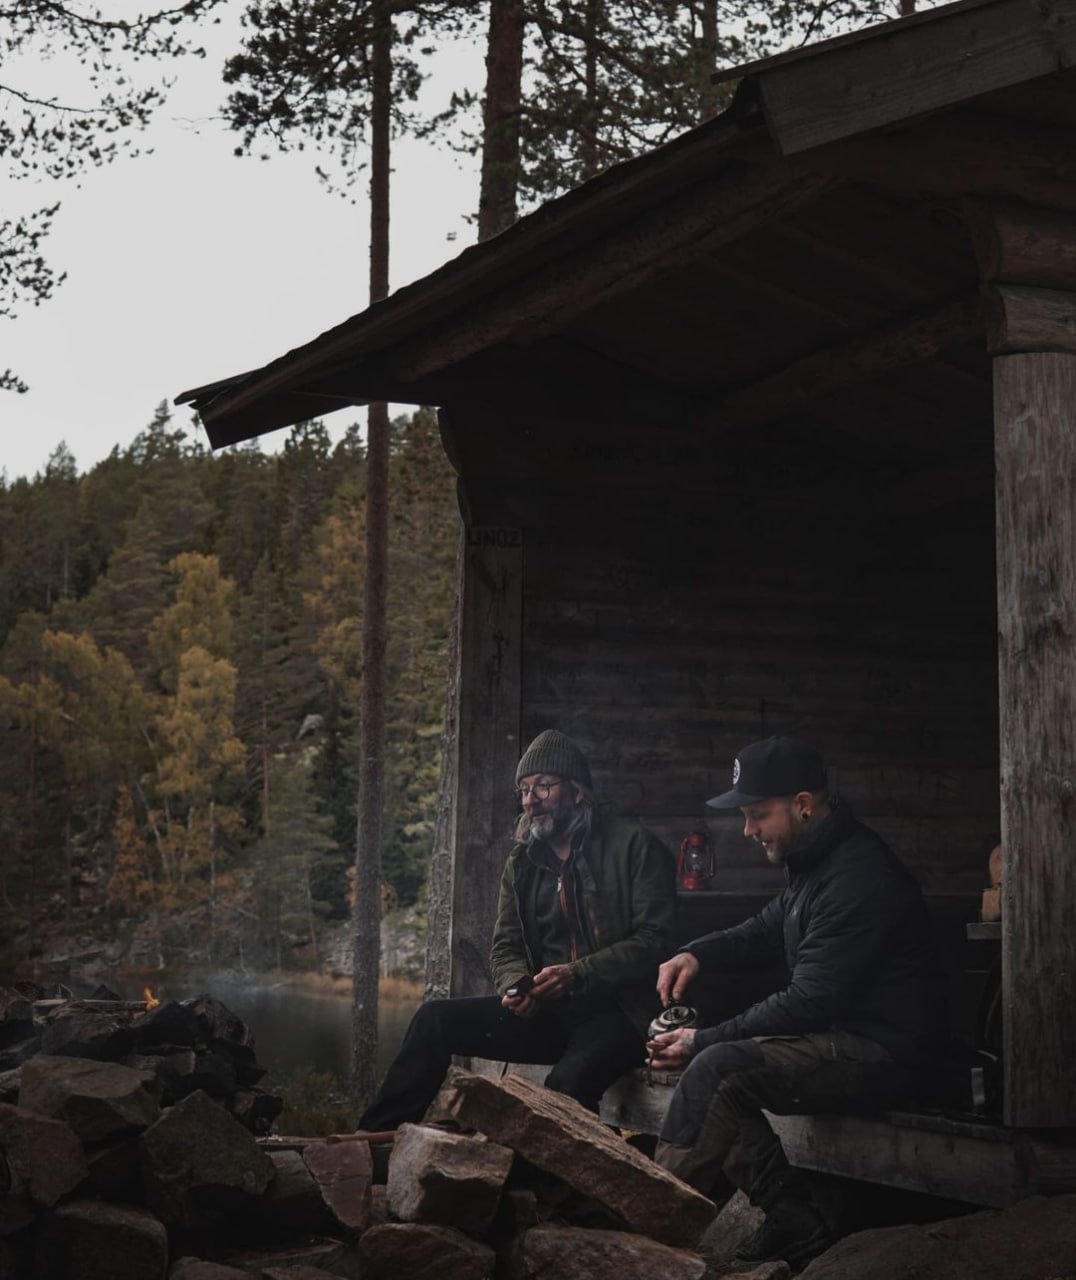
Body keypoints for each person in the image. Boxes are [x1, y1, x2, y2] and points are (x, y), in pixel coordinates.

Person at [649, 735, 943, 1271]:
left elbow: (809, 1000)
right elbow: (766, 927)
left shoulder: (856, 875)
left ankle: (644, 1224)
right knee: (719, 1067)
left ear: (803, 805)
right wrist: (697, 954)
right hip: (840, 1040)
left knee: (718, 1067)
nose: (747, 830)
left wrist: (702, 1039)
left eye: (757, 814)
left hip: (884, 1052)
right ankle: (794, 1216)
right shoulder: (816, 862)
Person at [357, 729, 677, 1131]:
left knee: (566, 1086)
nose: (530, 800)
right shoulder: (523, 863)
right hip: (553, 1013)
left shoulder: (634, 847)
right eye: (524, 790)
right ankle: (375, 1140)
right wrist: (514, 985)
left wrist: (577, 974)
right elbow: (506, 945)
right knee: (434, 1019)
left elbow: (656, 941)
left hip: (624, 1014)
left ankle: (557, 1186)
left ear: (577, 791)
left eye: (543, 787)